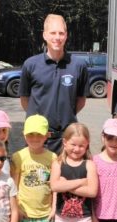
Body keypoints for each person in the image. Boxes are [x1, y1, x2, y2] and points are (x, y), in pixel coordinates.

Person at [19, 14, 88, 153]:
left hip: (67, 141)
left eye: (61, 33)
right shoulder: (30, 64)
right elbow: (25, 99)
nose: (57, 37)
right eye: (53, 33)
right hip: (37, 140)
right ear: (44, 35)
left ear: (66, 35)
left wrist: (66, 114)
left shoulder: (78, 65)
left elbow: (81, 100)